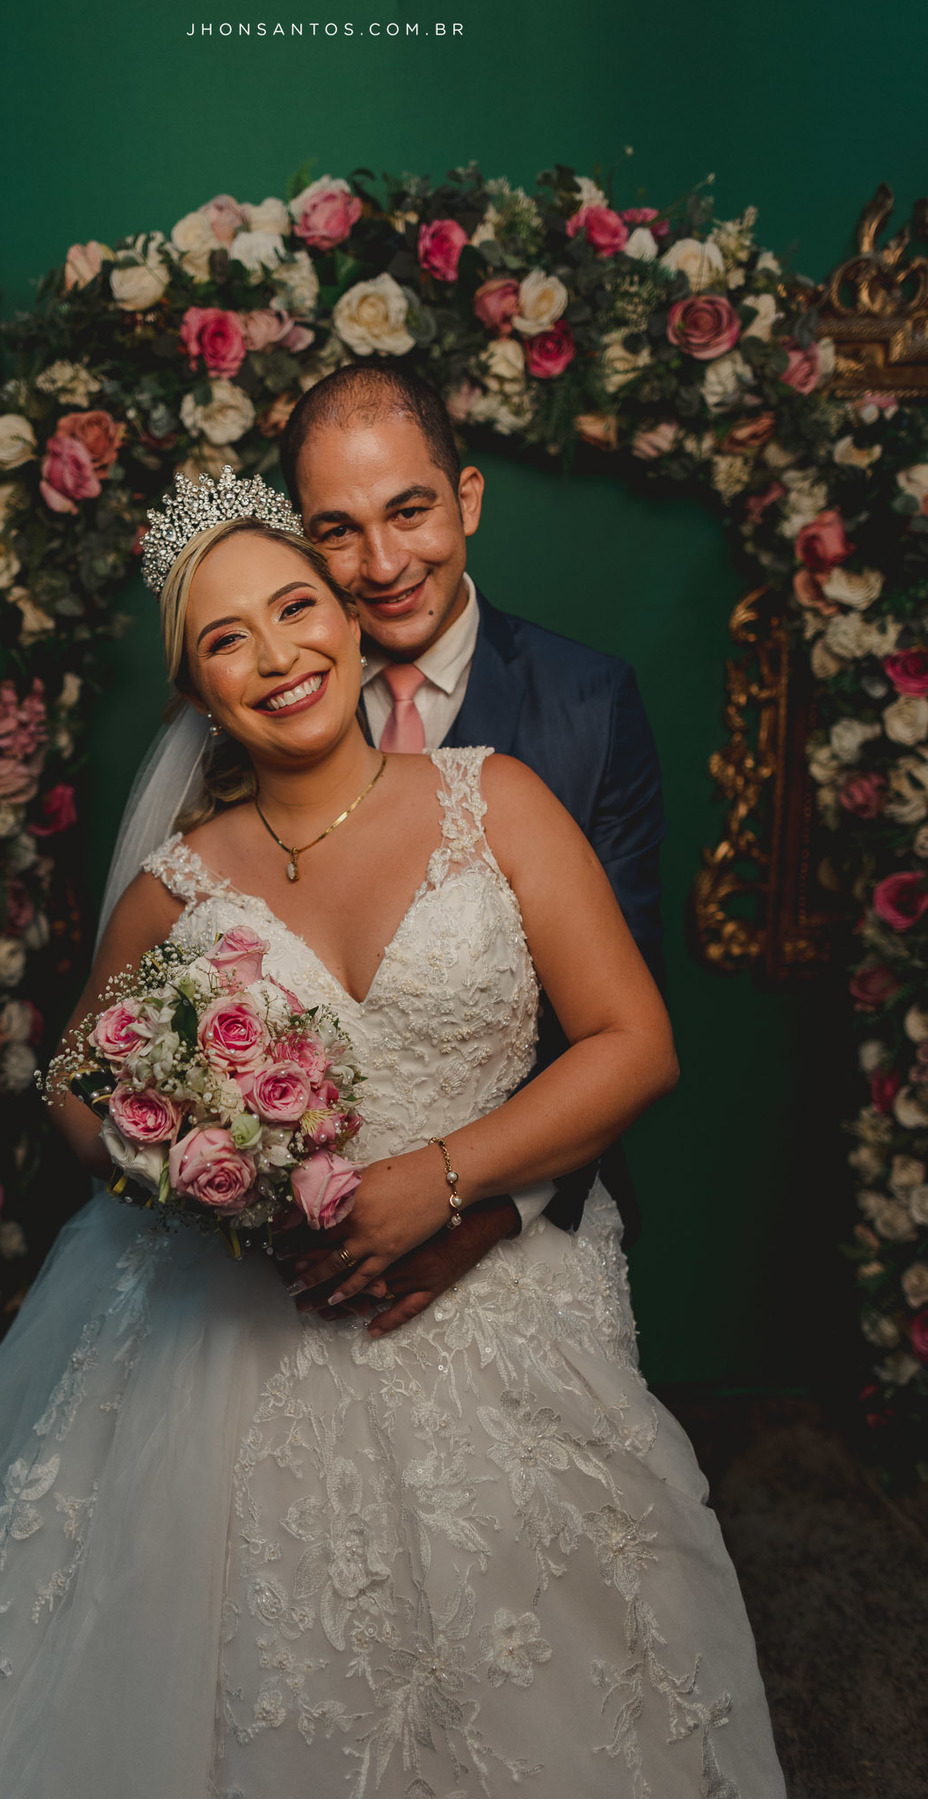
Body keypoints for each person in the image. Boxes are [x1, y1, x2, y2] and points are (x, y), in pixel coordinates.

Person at [0, 469, 785, 1799]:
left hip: (494, 1300)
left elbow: (636, 1045)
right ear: (195, 689)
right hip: (235, 1320)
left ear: (350, 622)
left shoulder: (498, 800)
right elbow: (70, 1078)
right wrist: (181, 1169)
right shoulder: (183, 879)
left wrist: (439, 1179)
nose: (278, 655)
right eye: (226, 639)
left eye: (296, 608)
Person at [274, 364, 666, 1336]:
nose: (383, 563)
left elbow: (614, 1028)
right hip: (295, 1251)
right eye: (337, 530)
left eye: (410, 512)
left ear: (469, 501)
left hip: (523, 1225)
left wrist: (479, 1210)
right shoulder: (268, 704)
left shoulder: (590, 706)